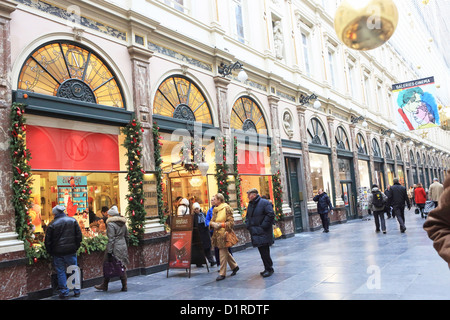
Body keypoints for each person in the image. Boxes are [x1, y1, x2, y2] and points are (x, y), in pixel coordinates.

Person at [44, 205, 82, 299]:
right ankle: (76, 291)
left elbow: (47, 241)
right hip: (71, 251)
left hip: (58, 252)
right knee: (73, 269)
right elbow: (79, 236)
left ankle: (64, 292)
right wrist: (75, 247)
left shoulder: (52, 224)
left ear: (55, 214)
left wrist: (50, 251)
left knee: (61, 271)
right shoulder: (72, 220)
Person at [95, 206, 129, 292]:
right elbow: (127, 236)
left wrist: (109, 251)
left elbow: (111, 239)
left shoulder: (110, 224)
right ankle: (124, 285)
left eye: (108, 215)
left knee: (107, 264)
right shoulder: (123, 223)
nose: (107, 216)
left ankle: (104, 285)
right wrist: (126, 246)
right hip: (122, 245)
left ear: (111, 215)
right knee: (121, 265)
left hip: (115, 247)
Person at [245, 188, 276, 277]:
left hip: (263, 232)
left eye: (249, 194)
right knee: (262, 251)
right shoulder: (251, 205)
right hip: (255, 232)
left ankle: (269, 268)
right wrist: (248, 225)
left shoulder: (264, 203)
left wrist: (263, 226)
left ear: (254, 195)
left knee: (265, 251)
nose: (247, 196)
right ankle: (267, 268)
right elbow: (248, 216)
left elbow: (270, 214)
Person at [210, 193, 239, 281]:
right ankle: (234, 266)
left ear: (219, 200)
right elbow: (211, 221)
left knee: (222, 253)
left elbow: (231, 223)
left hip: (224, 234)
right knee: (224, 252)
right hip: (217, 235)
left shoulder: (227, 208)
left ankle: (222, 273)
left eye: (214, 199)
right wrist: (213, 224)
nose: (213, 200)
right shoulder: (215, 209)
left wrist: (221, 225)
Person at [423, 172, 450, 266]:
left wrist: (430, 197)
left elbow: (429, 192)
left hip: (435, 198)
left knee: (437, 207)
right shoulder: (441, 185)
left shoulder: (431, 186)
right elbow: (437, 224)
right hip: (440, 198)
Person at [192, 202, 216, 267]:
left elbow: (207, 221)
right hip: (199, 234)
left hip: (205, 233)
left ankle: (211, 261)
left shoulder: (204, 214)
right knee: (200, 249)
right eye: (195, 209)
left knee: (207, 248)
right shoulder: (194, 217)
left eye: (197, 208)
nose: (196, 210)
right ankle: (199, 263)